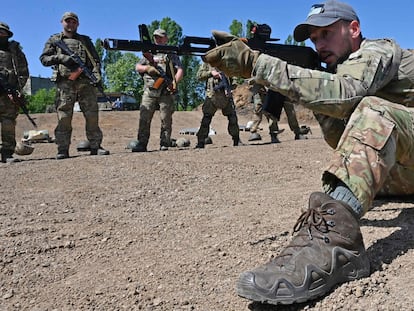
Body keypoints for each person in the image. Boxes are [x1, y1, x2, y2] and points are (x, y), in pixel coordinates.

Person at [203, 0, 414, 305]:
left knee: (374, 111)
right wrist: (297, 82)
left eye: (326, 34)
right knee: (350, 111)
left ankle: (337, 245)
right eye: (314, 40)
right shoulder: (338, 68)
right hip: (405, 172)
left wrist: (259, 64)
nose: (319, 45)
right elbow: (338, 135)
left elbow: (345, 93)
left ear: (353, 29)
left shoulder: (377, 51)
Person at [40, 12, 109, 159]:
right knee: (64, 116)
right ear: (62, 22)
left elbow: (95, 60)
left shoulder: (84, 40)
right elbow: (44, 59)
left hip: (85, 82)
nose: (70, 24)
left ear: (77, 24)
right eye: (67, 22)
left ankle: (96, 146)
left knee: (92, 115)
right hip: (65, 83)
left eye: (73, 22)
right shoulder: (55, 40)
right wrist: (61, 58)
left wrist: (97, 77)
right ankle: (62, 149)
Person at [132, 28, 184, 152]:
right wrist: (147, 69)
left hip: (165, 91)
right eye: (156, 37)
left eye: (161, 37)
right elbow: (138, 67)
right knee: (144, 118)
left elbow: (180, 70)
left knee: (166, 118)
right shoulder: (149, 52)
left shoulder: (171, 52)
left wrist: (174, 83)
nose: (158, 39)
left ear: (166, 38)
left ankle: (165, 143)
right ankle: (142, 144)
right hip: (149, 91)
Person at [0, 22, 29, 163]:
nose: (0, 35)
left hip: (8, 95)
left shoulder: (15, 52)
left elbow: (23, 72)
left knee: (8, 123)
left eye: (2, 33)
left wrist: (16, 89)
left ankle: (7, 153)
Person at [195, 62, 242, 148]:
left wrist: (230, 88)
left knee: (232, 118)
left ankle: (236, 139)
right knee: (206, 119)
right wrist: (211, 73)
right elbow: (199, 75)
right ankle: (201, 141)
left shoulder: (227, 62)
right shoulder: (207, 63)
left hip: (226, 96)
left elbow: (234, 78)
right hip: (211, 95)